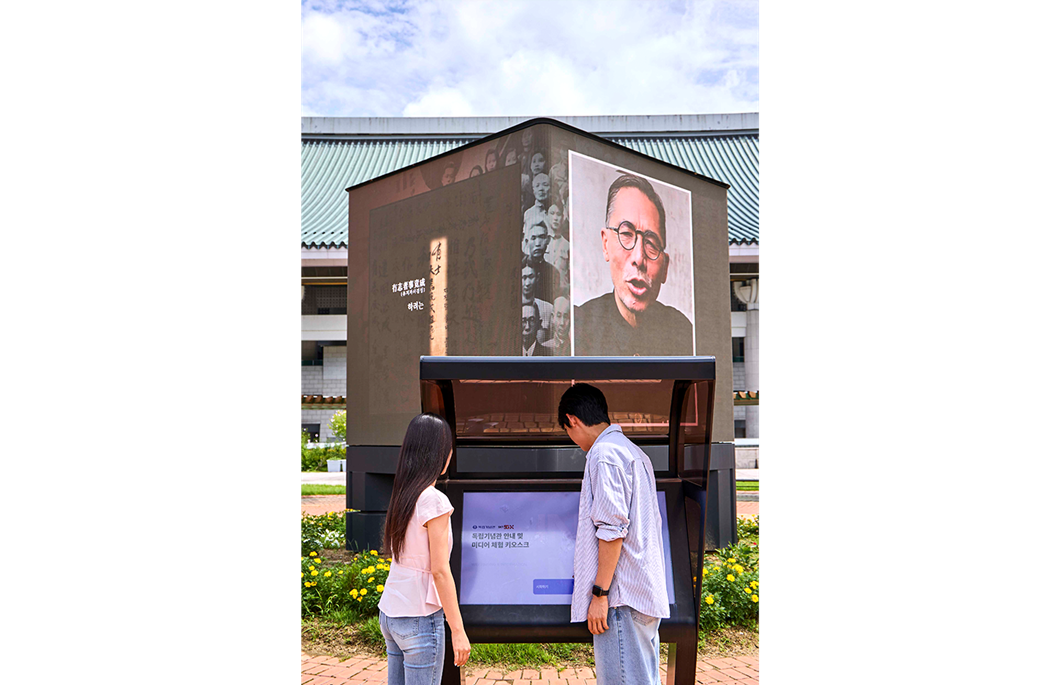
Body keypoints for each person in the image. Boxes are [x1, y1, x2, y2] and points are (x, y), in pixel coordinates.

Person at [558, 383, 669, 685]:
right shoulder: (632, 452)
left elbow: (612, 531)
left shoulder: (603, 455)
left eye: (568, 431)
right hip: (642, 593)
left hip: (621, 599)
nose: (573, 440)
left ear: (573, 420)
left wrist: (599, 594)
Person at [378, 413, 471, 684]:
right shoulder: (434, 500)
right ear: (439, 454)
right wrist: (458, 630)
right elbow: (440, 571)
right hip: (420, 617)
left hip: (391, 612)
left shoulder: (403, 493)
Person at [574, 174, 692, 356]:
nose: (639, 258)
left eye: (651, 244)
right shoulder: (579, 327)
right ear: (606, 244)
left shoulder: (683, 333)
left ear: (665, 268)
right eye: (626, 234)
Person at [521, 258, 552, 345]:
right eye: (523, 278)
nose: (527, 283)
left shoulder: (548, 308)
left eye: (531, 277)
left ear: (537, 277)